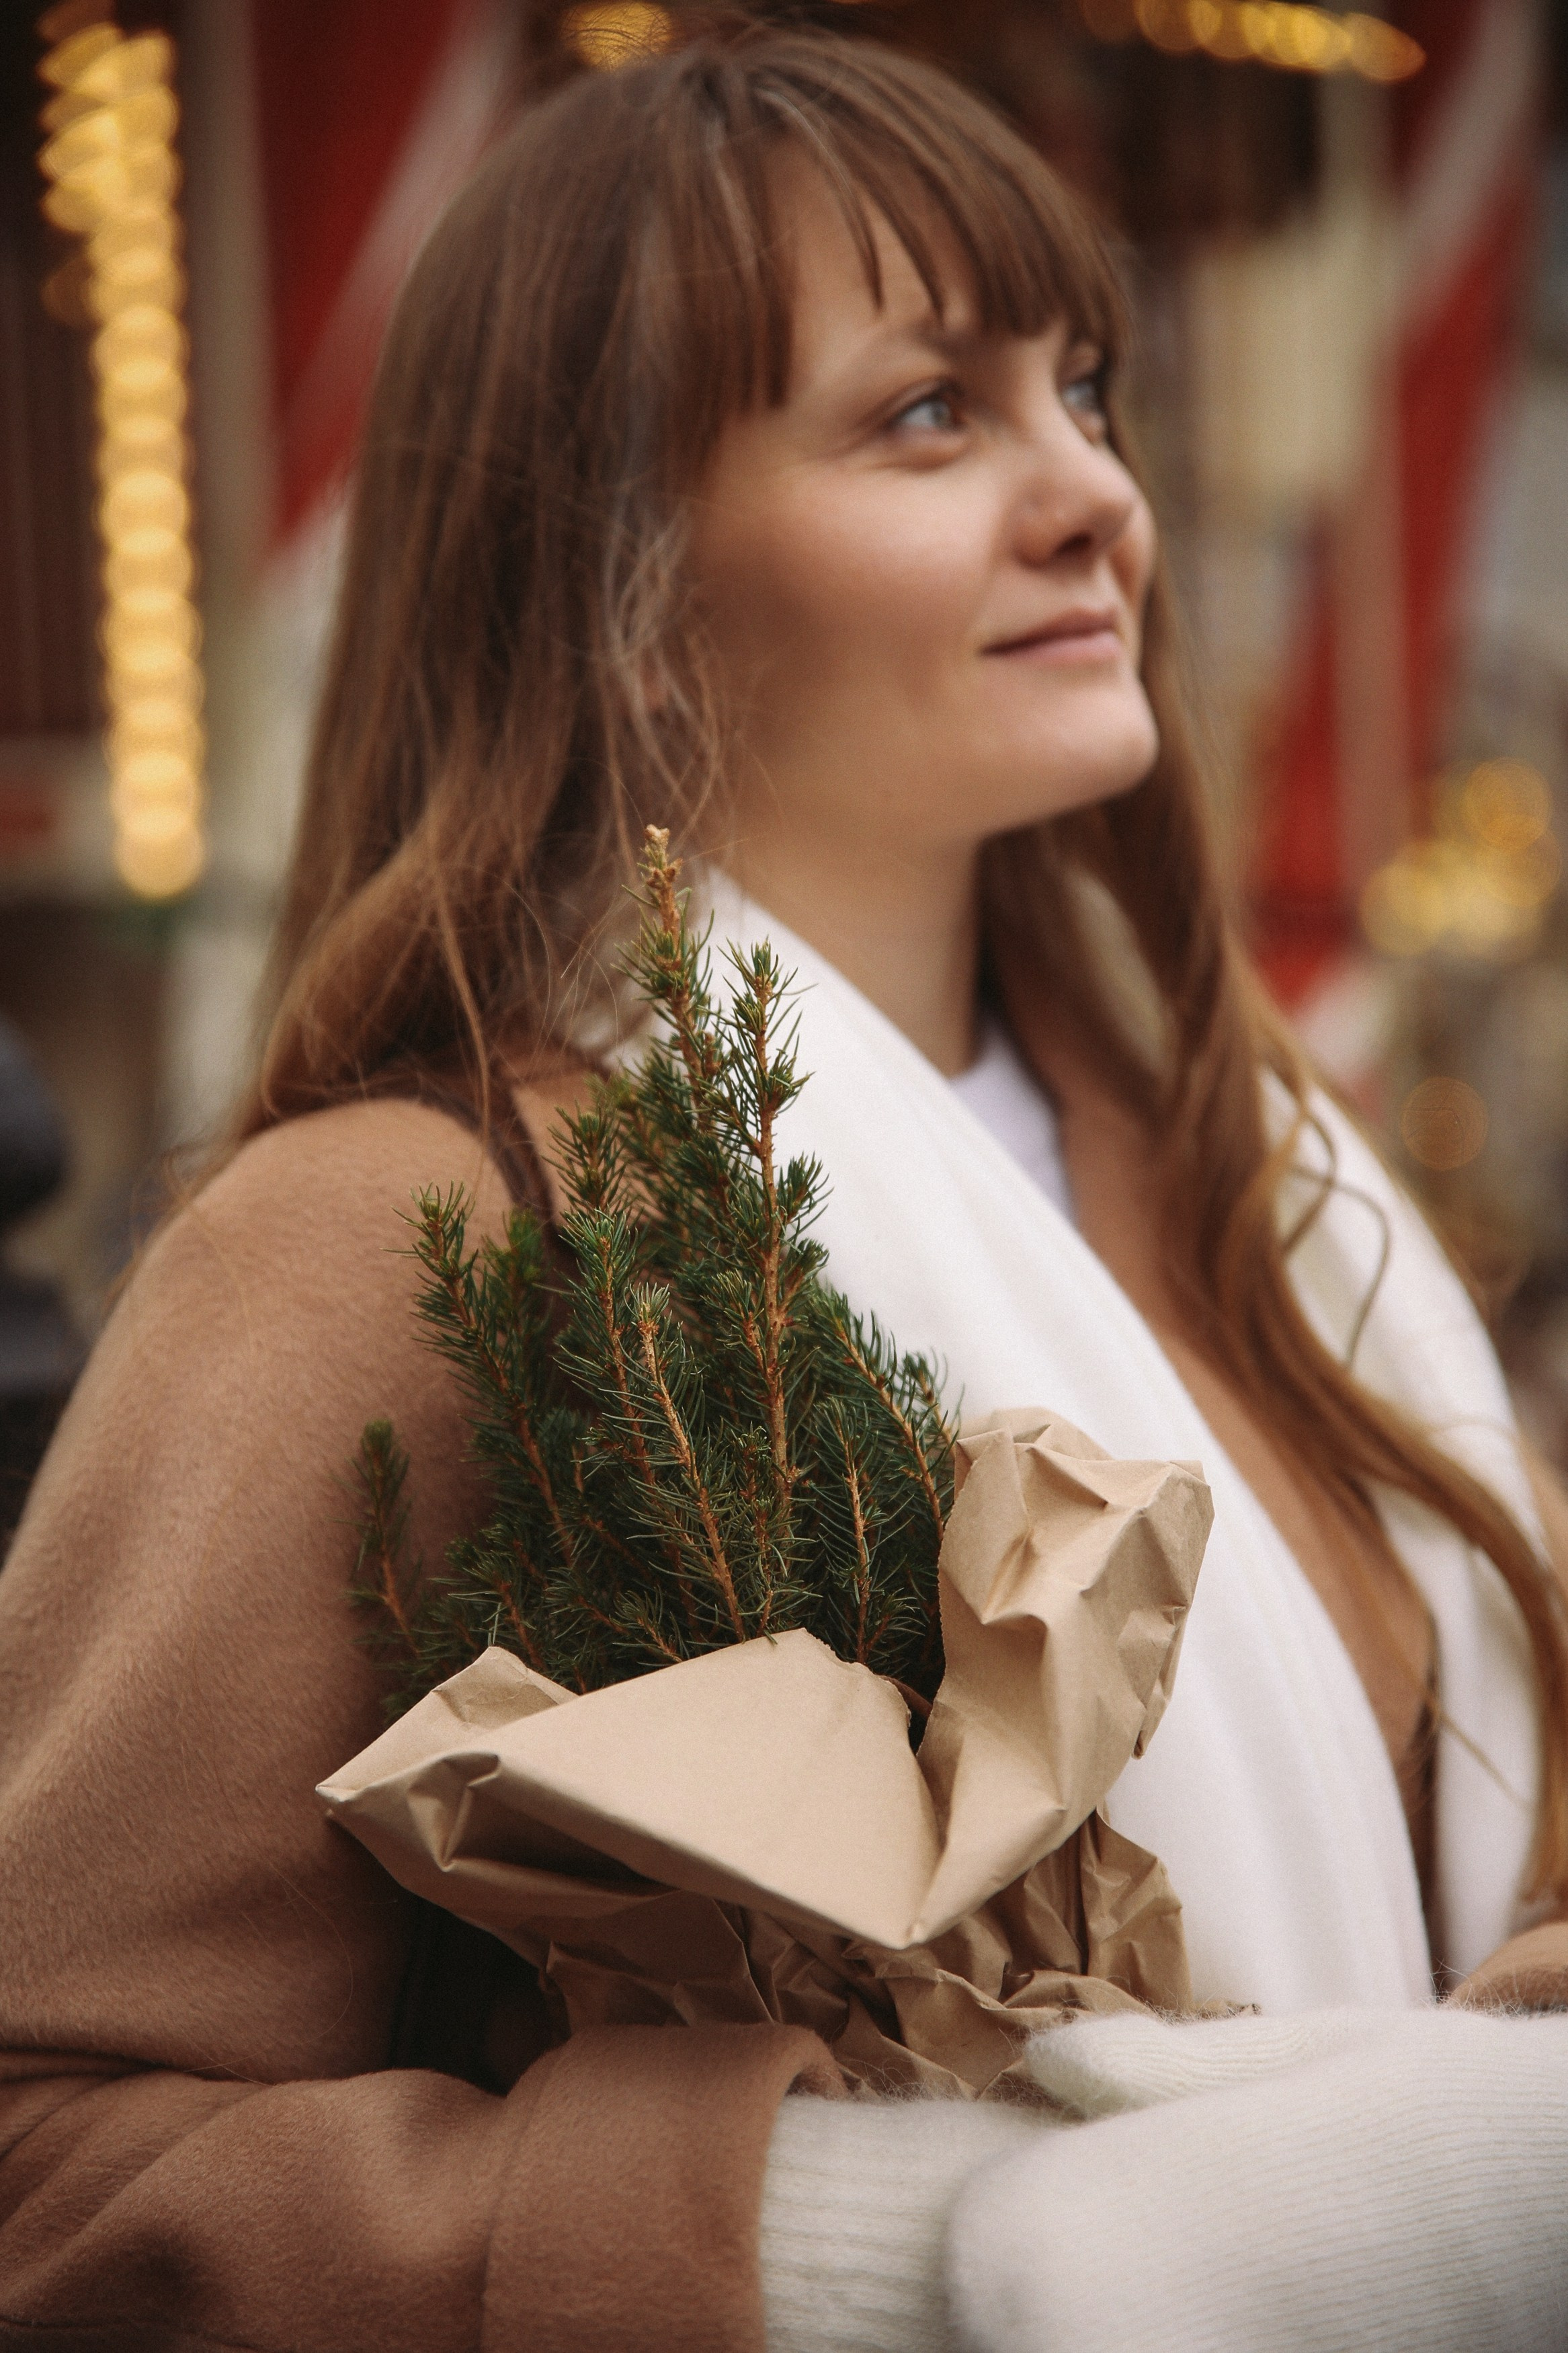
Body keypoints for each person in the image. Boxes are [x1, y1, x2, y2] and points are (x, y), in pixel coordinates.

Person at [3, 28, 1567, 2353]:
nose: (1093, 498)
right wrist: (860, 2244)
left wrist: (1455, 2128)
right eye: (931, 412)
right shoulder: (397, 1236)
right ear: (615, 553)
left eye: (1088, 390)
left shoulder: (1278, 1187)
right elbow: (52, 2170)